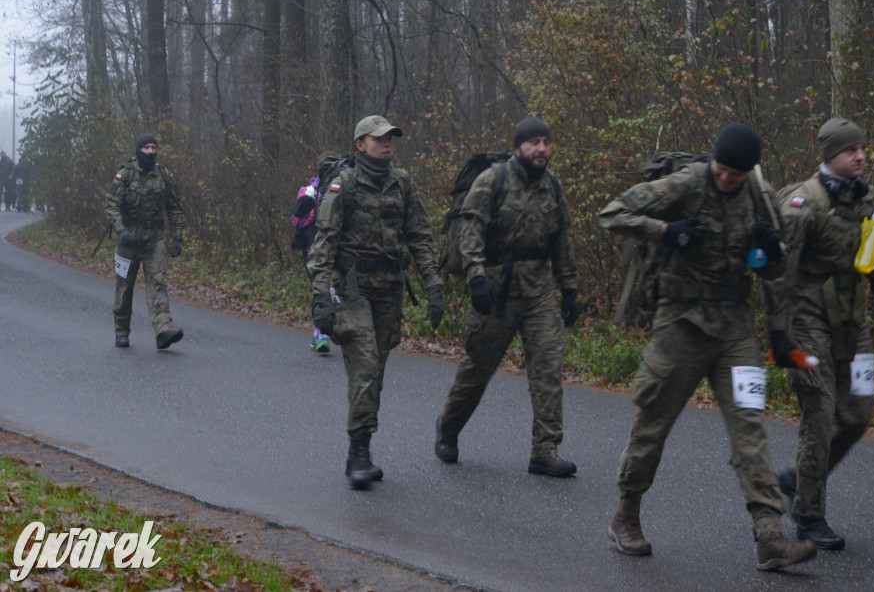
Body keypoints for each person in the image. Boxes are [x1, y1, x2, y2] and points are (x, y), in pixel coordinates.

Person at [598, 123, 817, 571]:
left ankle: (770, 536)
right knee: (653, 423)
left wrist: (772, 268)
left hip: (735, 329)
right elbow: (612, 214)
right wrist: (665, 230)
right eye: (721, 170)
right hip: (681, 324)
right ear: (712, 160)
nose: (725, 180)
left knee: (750, 426)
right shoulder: (685, 182)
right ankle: (626, 516)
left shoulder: (759, 194)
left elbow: (775, 274)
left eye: (735, 175)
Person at [762, 118, 874, 551]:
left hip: (852, 320)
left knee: (858, 413)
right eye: (851, 150)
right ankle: (808, 514)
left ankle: (798, 478)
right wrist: (778, 334)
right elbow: (776, 274)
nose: (861, 156)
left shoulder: (871, 201)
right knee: (820, 414)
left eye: (863, 148)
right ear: (829, 156)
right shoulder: (804, 205)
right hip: (807, 319)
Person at [434, 116, 581, 477]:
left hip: (539, 291)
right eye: (534, 143)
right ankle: (448, 430)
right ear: (519, 147)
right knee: (477, 368)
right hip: (496, 290)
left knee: (547, 367)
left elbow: (562, 241)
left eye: (546, 142)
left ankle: (545, 450)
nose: (542, 149)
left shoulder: (553, 186)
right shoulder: (493, 180)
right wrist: (476, 280)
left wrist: (570, 288)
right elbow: (470, 232)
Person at [306, 115, 445, 490]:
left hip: (389, 288)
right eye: (378, 138)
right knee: (366, 364)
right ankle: (359, 454)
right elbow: (323, 245)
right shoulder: (344, 184)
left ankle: (363, 444)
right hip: (351, 289)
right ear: (360, 144)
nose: (387, 144)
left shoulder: (402, 182)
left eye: (391, 139)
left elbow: (420, 235)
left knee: (376, 368)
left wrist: (433, 284)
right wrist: (320, 297)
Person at [104, 134, 186, 350]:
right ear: (138, 150)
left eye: (153, 147)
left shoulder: (164, 175)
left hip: (154, 240)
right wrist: (120, 231)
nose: (150, 151)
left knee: (157, 283)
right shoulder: (125, 175)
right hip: (128, 240)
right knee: (124, 287)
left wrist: (177, 236)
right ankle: (121, 331)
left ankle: (163, 331)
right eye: (146, 147)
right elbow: (111, 206)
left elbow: (175, 207)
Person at [291, 171, 330, 353]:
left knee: (329, 288)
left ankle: (322, 331)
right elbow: (296, 219)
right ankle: (320, 333)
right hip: (312, 248)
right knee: (319, 287)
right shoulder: (309, 191)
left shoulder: (342, 187)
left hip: (333, 248)